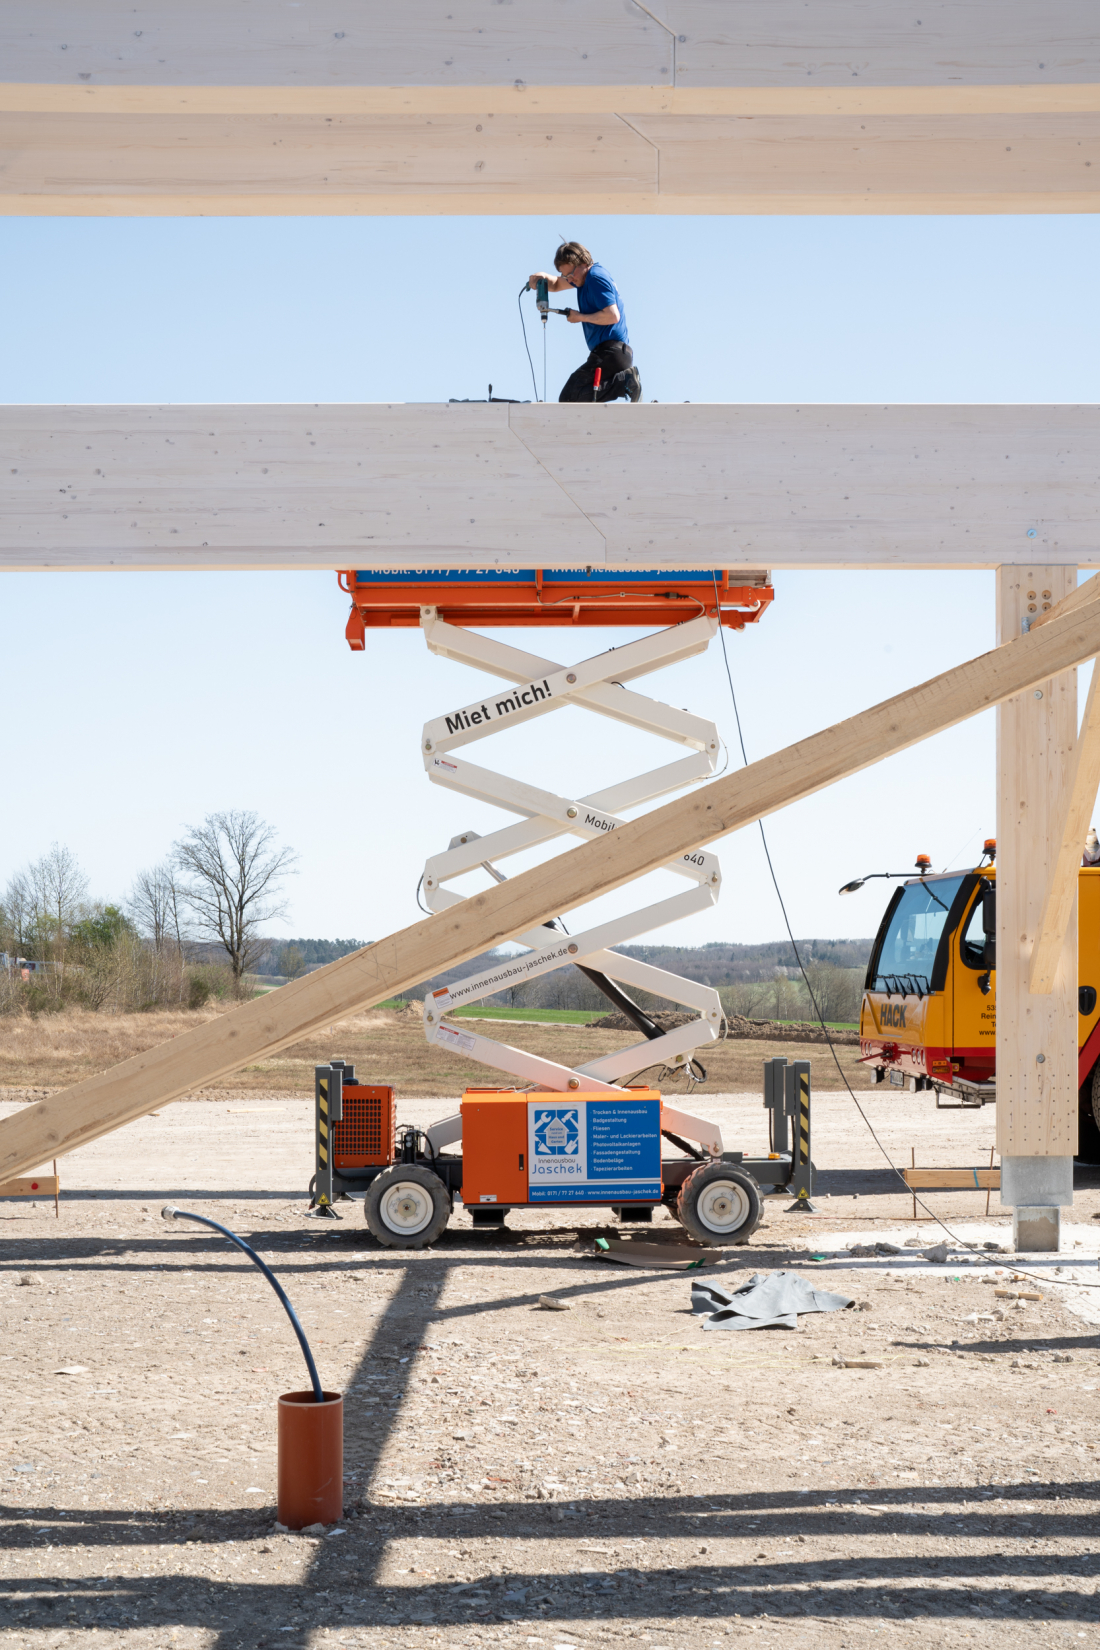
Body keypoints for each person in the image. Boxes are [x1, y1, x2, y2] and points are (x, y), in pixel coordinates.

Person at [528, 242, 642, 403]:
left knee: (569, 397)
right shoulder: (581, 278)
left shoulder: (595, 277)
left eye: (571, 274)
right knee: (576, 398)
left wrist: (579, 317)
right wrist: (541, 277)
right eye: (566, 276)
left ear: (583, 262)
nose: (570, 280)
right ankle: (622, 383)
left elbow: (612, 315)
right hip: (611, 353)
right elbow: (555, 284)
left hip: (611, 353)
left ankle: (623, 383)